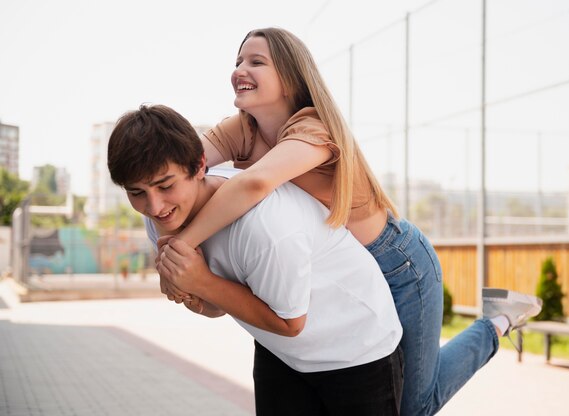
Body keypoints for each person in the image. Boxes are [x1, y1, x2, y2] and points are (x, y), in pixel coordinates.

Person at [159, 27, 542, 416]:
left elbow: (255, 183)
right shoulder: (242, 127)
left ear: (291, 79)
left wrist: (180, 247)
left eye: (256, 62)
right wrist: (171, 244)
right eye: (238, 61)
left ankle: (497, 322)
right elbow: (188, 170)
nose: (241, 69)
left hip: (398, 265)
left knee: (414, 407)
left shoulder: (315, 129)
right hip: (343, 278)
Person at [107, 104, 405, 415]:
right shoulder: (162, 216)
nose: (154, 205)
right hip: (282, 352)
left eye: (166, 186)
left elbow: (290, 323)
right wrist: (190, 291)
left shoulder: (265, 228)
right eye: (136, 192)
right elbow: (217, 308)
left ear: (199, 167)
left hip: (357, 350)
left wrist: (201, 282)